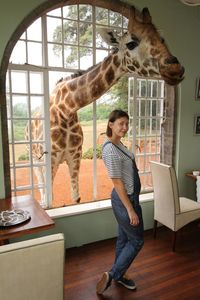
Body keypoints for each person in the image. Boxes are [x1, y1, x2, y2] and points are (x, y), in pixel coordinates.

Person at [96, 109, 144, 295]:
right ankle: (113, 274)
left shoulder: (119, 144)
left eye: (126, 123)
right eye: (120, 124)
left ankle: (120, 274)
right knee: (137, 240)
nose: (124, 127)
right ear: (111, 124)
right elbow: (117, 182)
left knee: (124, 238)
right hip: (126, 201)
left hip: (131, 198)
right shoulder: (109, 149)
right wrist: (130, 210)